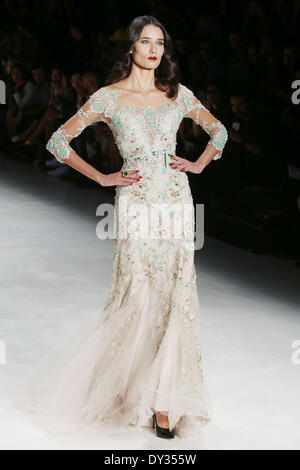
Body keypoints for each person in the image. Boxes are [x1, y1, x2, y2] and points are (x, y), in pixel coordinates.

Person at [16, 16, 228, 440]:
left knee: (176, 293)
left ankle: (165, 402)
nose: (154, 50)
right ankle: (131, 390)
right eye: (146, 42)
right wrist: (101, 177)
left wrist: (199, 163)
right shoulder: (108, 98)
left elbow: (218, 131)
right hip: (135, 201)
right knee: (135, 289)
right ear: (130, 47)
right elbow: (58, 140)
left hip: (175, 201)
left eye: (160, 43)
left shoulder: (177, 94)